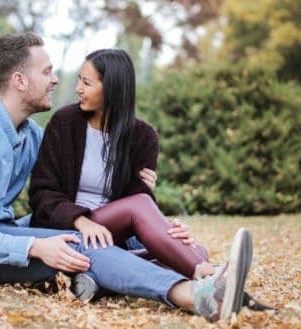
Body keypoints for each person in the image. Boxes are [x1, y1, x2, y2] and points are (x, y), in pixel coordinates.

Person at [0, 32, 253, 322]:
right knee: (80, 243)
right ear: (19, 81)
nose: (57, 80)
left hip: (6, 230)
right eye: (46, 72)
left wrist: (154, 215)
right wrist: (35, 247)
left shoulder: (30, 134)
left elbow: (61, 181)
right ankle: (195, 294)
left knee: (87, 243)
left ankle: (195, 271)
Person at [29, 49, 218, 280]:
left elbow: (137, 203)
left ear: (112, 89)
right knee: (188, 254)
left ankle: (96, 276)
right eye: (79, 79)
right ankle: (204, 274)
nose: (78, 88)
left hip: (112, 235)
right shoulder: (65, 123)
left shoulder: (143, 137)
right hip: (67, 228)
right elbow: (42, 193)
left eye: (86, 83)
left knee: (197, 249)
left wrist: (169, 230)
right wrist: (82, 221)